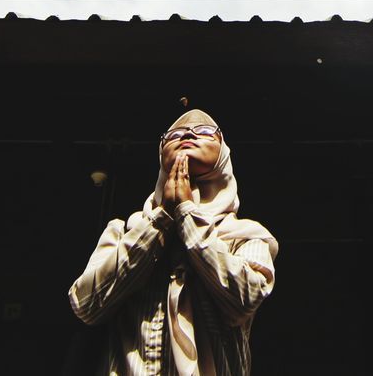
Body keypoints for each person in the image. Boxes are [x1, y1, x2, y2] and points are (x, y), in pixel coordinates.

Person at [68, 109, 278, 375]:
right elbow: (86, 306)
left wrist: (187, 216)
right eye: (175, 135)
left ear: (224, 156)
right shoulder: (123, 232)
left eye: (204, 132)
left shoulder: (247, 235)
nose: (189, 134)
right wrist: (159, 222)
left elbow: (243, 302)